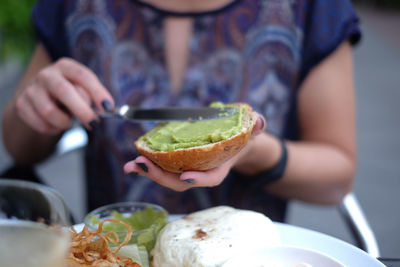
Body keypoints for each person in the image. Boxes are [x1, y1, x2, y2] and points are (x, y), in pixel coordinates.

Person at [2, 0, 361, 222]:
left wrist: (253, 152)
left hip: (245, 254)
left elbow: (337, 178)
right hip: (119, 251)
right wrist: (39, 109)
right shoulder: (73, 4)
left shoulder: (312, 7)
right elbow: (20, 149)